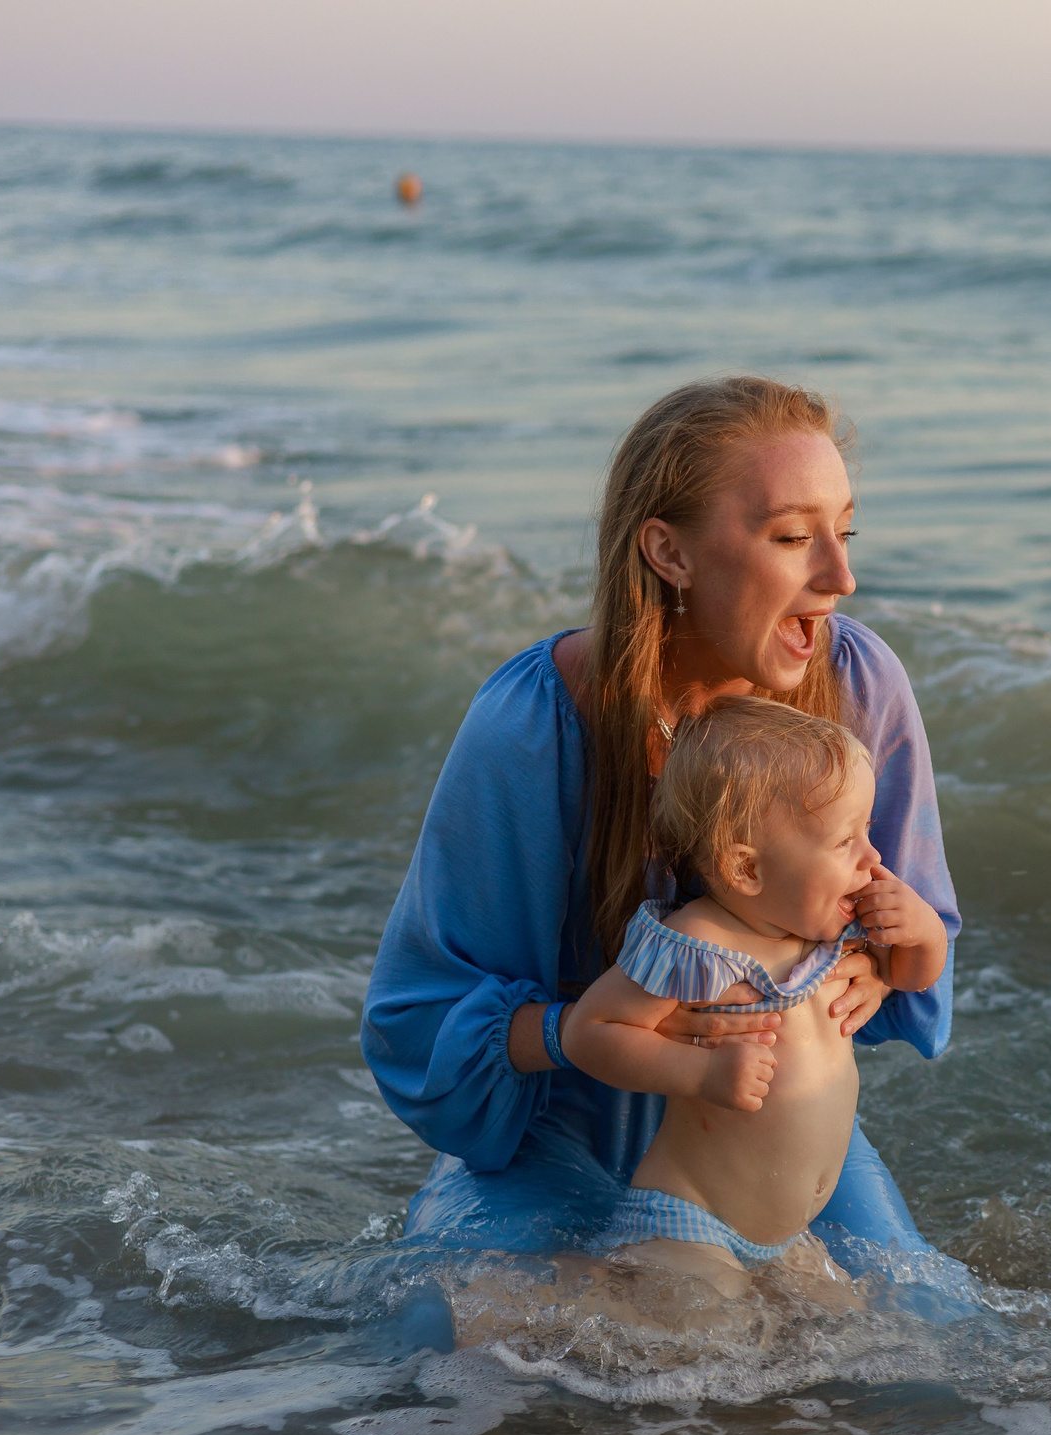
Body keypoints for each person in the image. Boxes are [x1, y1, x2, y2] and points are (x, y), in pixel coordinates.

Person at [361, 377, 962, 1320]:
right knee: (434, 1338)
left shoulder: (858, 681)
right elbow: (413, 1023)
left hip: (764, 1148)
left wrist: (880, 967)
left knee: (937, 1352)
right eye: (793, 536)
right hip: (557, 1145)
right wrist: (581, 1033)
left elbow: (917, 921)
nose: (841, 576)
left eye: (849, 530)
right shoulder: (531, 726)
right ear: (669, 551)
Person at [557, 696, 947, 1309]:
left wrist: (922, 933)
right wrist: (702, 1071)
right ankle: (562, 1293)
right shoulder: (696, 944)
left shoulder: (833, 929)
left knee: (851, 1333)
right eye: (847, 840)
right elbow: (590, 1030)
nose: (872, 858)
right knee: (703, 1338)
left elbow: (913, 975)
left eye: (867, 831)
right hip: (695, 1219)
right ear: (746, 868)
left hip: (786, 1236)